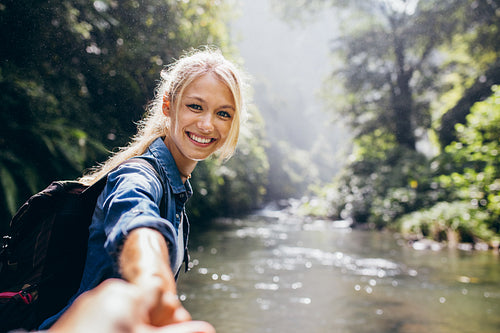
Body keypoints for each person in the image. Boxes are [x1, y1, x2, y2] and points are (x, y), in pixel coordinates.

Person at [38, 47, 247, 329]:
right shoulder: (136, 174)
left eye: (223, 113)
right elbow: (136, 221)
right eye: (195, 106)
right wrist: (152, 278)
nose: (207, 124)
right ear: (168, 106)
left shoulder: (178, 189)